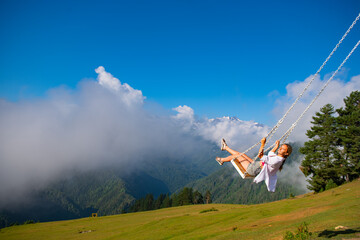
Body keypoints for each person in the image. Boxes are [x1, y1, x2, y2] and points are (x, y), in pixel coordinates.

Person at [215, 137, 292, 192]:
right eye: (281, 147)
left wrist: (262, 144)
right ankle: (225, 147)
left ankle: (221, 160)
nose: (280, 149)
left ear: (286, 153)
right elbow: (270, 153)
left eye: (283, 149)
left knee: (237, 156)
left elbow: (260, 156)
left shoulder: (276, 160)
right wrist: (276, 146)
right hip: (256, 165)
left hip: (253, 169)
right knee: (240, 154)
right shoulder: (279, 158)